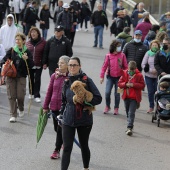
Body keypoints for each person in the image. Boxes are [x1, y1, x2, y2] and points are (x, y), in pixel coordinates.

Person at [60, 56, 102, 170]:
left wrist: (85, 103)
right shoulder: (66, 81)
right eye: (70, 65)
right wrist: (60, 114)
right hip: (68, 119)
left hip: (84, 119)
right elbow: (64, 101)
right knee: (67, 147)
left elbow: (98, 98)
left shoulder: (86, 80)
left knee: (84, 145)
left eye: (74, 65)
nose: (72, 67)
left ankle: (86, 168)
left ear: (79, 66)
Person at [2, 33, 34, 122]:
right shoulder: (12, 50)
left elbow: (32, 65)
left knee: (20, 96)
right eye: (16, 39)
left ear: (24, 41)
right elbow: (4, 59)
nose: (17, 41)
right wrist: (3, 64)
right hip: (10, 76)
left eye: (19, 39)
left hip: (21, 76)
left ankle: (21, 108)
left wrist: (26, 59)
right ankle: (13, 115)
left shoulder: (27, 51)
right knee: (11, 96)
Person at [43, 55, 70, 159]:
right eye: (59, 62)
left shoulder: (70, 78)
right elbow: (49, 91)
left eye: (62, 62)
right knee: (57, 128)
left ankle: (56, 150)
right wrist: (45, 106)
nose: (59, 64)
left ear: (68, 65)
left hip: (64, 109)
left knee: (59, 129)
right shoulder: (55, 75)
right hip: (54, 107)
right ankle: (63, 140)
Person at [100, 39, 128, 115]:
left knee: (117, 94)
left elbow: (126, 66)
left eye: (120, 46)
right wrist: (101, 76)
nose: (119, 47)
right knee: (107, 92)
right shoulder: (108, 56)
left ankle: (116, 108)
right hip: (110, 77)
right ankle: (107, 106)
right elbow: (104, 66)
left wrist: (126, 76)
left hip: (120, 78)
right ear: (114, 47)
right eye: (118, 46)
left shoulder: (122, 55)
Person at [118, 61, 145, 136]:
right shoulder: (124, 73)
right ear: (128, 68)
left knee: (131, 112)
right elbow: (119, 83)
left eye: (132, 70)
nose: (131, 72)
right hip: (126, 96)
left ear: (135, 69)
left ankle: (129, 127)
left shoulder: (139, 75)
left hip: (134, 97)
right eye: (130, 70)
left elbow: (142, 85)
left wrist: (133, 85)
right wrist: (125, 84)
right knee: (127, 112)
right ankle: (130, 123)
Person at [26, 27, 46, 102]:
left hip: (39, 63)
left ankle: (37, 95)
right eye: (32, 32)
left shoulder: (43, 42)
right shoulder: (27, 43)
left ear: (38, 33)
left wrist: (44, 63)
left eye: (35, 32)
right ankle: (31, 93)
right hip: (30, 64)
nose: (33, 34)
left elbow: (45, 53)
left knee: (37, 79)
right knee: (30, 79)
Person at [141, 40, 160, 113]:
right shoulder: (148, 53)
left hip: (157, 76)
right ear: (151, 46)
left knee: (157, 91)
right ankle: (151, 106)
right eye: (153, 45)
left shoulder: (160, 54)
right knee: (150, 91)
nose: (155, 47)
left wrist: (158, 70)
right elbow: (143, 64)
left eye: (156, 45)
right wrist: (150, 70)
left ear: (158, 46)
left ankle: (158, 106)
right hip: (148, 76)